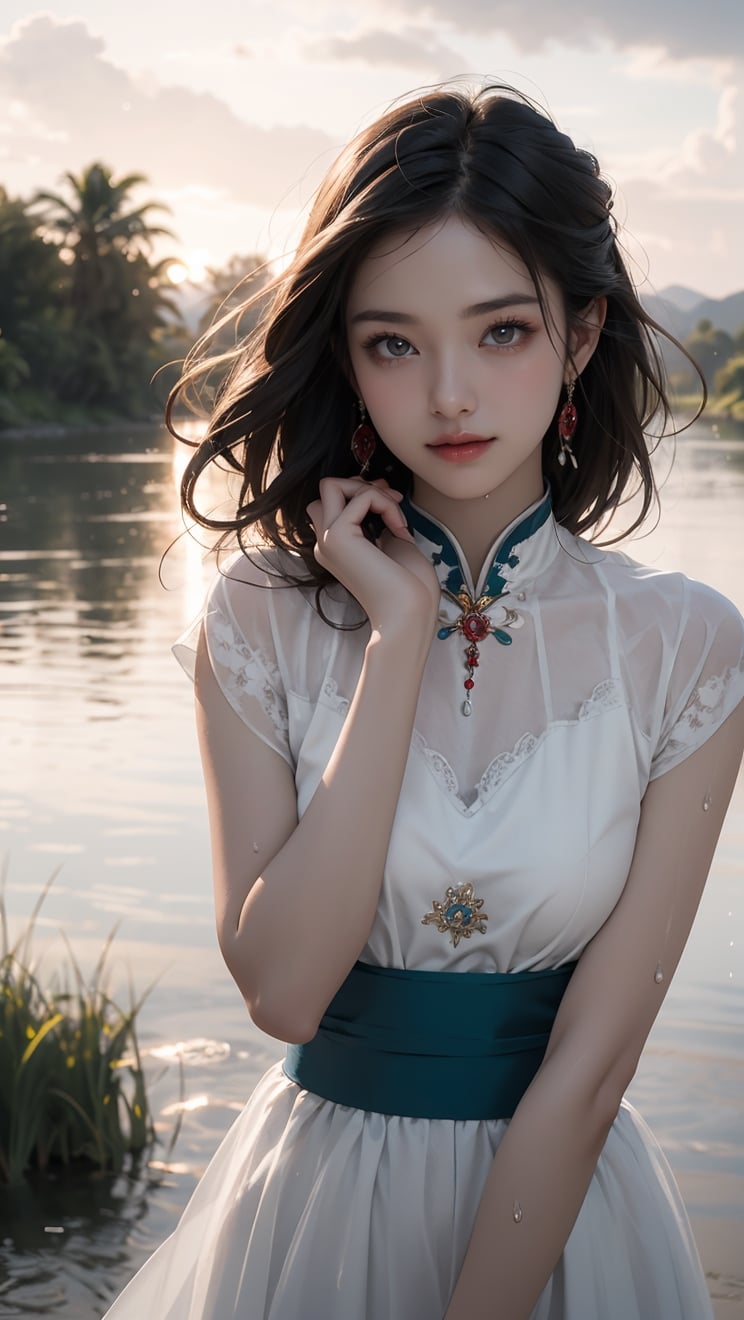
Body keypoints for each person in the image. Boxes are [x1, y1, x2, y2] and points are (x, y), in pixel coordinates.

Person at [103, 83, 744, 1320]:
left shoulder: (686, 647)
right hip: (310, 1219)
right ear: (345, 357)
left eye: (500, 331)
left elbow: (598, 1063)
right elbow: (285, 991)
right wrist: (393, 640)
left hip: (560, 1220)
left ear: (582, 330)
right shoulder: (258, 618)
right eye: (393, 341)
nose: (449, 394)